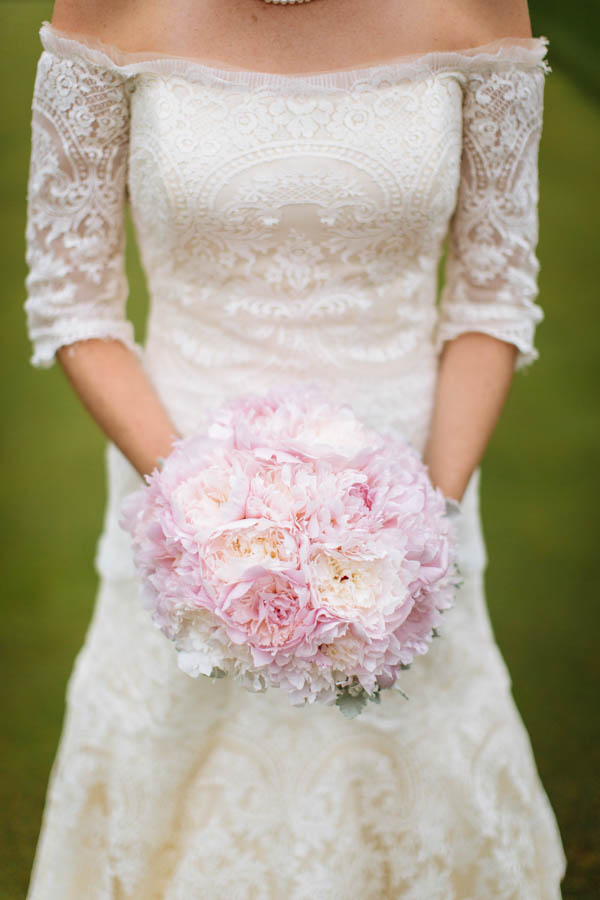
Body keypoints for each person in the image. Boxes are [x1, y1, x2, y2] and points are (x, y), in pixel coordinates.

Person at [24, 0, 567, 896]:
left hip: (409, 494)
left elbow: (492, 298)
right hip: (180, 480)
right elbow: (73, 300)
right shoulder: (106, 8)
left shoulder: (480, 8)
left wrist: (424, 520)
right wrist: (202, 513)